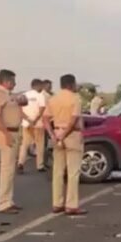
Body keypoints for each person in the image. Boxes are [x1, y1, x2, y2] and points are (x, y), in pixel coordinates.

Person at [44, 74, 86, 216]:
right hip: (72, 135)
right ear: (71, 84)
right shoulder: (76, 98)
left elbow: (45, 118)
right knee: (73, 172)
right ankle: (71, 205)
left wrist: (52, 134)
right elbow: (74, 119)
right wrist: (65, 133)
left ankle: (57, 203)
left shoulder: (53, 99)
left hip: (56, 134)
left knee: (58, 171)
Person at [0, 69, 25, 214]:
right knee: (7, 169)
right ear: (7, 81)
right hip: (6, 132)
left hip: (13, 131)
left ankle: (8, 200)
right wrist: (6, 134)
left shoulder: (8, 95)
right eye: (13, 81)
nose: (15, 83)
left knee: (10, 169)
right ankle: (3, 203)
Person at [17, 78, 47, 173]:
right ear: (38, 86)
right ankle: (40, 165)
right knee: (39, 145)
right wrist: (35, 120)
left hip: (26, 124)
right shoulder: (40, 96)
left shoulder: (24, 95)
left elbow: (20, 110)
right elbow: (42, 109)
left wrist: (28, 119)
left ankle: (20, 163)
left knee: (25, 144)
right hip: (37, 124)